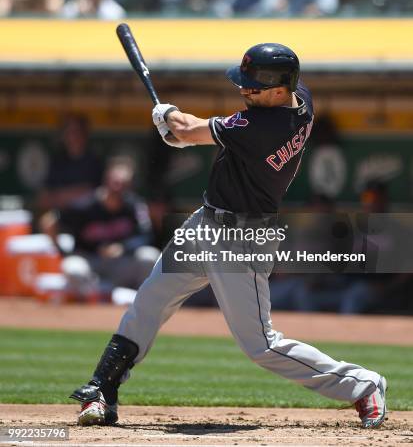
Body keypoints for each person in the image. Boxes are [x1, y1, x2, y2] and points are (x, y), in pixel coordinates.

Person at [70, 44, 387, 429]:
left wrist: (167, 114)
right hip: (205, 223)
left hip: (241, 239)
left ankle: (362, 384)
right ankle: (102, 388)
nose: (244, 91)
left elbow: (188, 129)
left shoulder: (262, 127)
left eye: (253, 86)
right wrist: (179, 132)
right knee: (149, 302)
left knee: (261, 345)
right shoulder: (301, 98)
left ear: (277, 90)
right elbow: (194, 136)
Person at [40, 155, 157, 293]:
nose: (118, 188)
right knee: (73, 269)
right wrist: (64, 252)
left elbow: (146, 235)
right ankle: (95, 298)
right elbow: (49, 222)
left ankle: (135, 301)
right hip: (91, 261)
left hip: (120, 264)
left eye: (124, 184)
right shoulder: (85, 204)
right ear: (106, 180)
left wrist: (122, 247)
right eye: (116, 183)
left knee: (150, 257)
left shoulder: (134, 205)